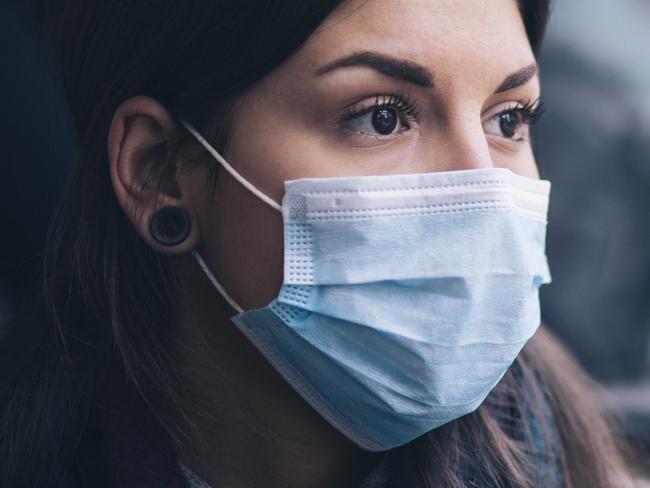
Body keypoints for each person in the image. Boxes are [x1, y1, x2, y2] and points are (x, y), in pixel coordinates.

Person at [0, 1, 634, 487]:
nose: (481, 190)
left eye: (509, 119)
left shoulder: (575, 451)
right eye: (382, 115)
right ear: (160, 169)